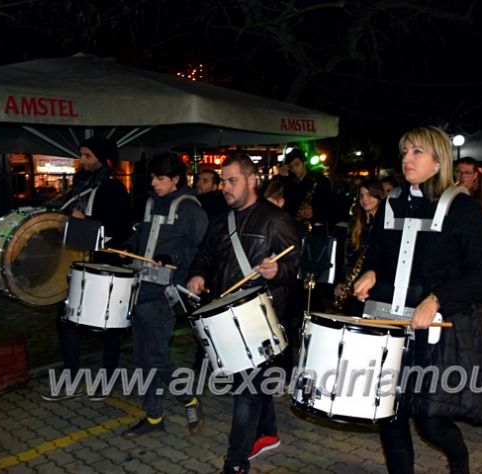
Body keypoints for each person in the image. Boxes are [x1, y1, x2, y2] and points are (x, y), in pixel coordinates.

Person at [353, 126, 482, 474]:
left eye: (417, 152)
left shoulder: (462, 207)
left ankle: (459, 462)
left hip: (436, 327)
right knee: (389, 412)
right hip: (389, 323)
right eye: (405, 151)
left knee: (431, 421)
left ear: (438, 161)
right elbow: (379, 255)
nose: (407, 159)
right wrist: (371, 273)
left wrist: (437, 299)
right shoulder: (392, 202)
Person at [186, 154, 300, 474]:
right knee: (248, 382)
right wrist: (197, 273)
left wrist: (278, 270)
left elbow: (296, 267)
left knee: (246, 389)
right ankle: (268, 433)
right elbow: (205, 254)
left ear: (252, 180)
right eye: (223, 181)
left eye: (232, 180)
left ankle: (236, 461)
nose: (225, 187)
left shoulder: (276, 220)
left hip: (259, 315)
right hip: (227, 314)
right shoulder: (222, 220)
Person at [120, 152, 209, 439]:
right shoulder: (150, 202)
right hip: (141, 288)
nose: (154, 183)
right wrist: (125, 245)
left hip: (166, 292)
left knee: (155, 355)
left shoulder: (190, 208)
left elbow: (200, 250)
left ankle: (187, 398)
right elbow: (142, 236)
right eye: (153, 178)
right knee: (143, 355)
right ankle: (154, 416)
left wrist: (171, 255)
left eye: (160, 178)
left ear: (175, 180)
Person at [42, 137, 132, 402]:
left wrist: (87, 222)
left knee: (110, 327)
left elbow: (121, 230)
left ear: (104, 159)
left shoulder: (114, 189)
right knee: (66, 321)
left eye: (88, 156)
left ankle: (106, 382)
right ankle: (71, 381)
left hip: (107, 265)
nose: (83, 161)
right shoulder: (82, 185)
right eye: (82, 155)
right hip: (82, 265)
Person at [333, 176, 384, 316]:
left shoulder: (385, 224)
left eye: (369, 194)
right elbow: (346, 258)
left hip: (373, 287)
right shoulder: (356, 223)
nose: (365, 199)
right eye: (361, 195)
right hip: (353, 285)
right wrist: (341, 282)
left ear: (378, 195)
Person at [282, 148, 332, 236]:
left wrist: (315, 212)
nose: (294, 169)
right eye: (291, 166)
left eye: (297, 164)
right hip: (293, 229)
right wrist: (279, 176)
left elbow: (330, 205)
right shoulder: (289, 182)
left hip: (315, 229)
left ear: (304, 163)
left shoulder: (320, 180)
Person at [455, 156, 482, 225]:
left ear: (475, 175)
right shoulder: (448, 194)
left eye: (467, 173)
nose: (461, 176)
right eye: (458, 171)